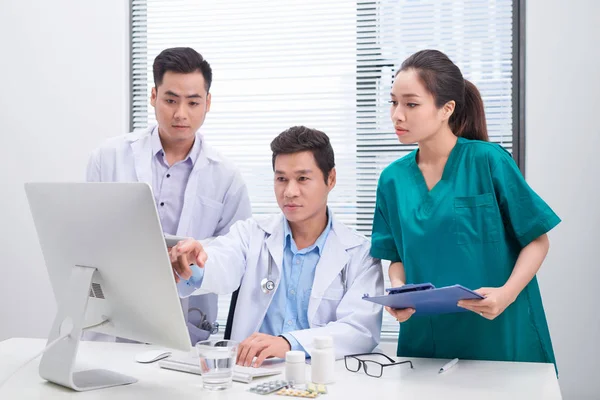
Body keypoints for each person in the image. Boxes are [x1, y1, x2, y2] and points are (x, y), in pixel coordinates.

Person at [371, 49, 560, 366]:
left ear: (446, 109)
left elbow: (537, 240)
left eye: (411, 104)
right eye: (393, 102)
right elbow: (398, 258)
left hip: (499, 334)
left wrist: (506, 293)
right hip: (427, 341)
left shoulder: (488, 161)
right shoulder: (392, 180)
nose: (397, 115)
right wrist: (399, 291)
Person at [170, 126, 383, 367]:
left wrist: (289, 343)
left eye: (302, 178)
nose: (290, 192)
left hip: (319, 380)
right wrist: (193, 262)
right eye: (281, 179)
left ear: (330, 179)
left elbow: (360, 329)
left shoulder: (360, 253)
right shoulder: (252, 234)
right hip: (251, 378)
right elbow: (222, 261)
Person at [86, 47, 251, 344]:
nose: (180, 114)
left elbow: (237, 255)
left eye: (192, 102)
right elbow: (88, 236)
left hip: (185, 324)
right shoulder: (108, 157)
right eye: (171, 100)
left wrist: (197, 253)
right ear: (153, 96)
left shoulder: (227, 177)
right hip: (113, 316)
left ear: (208, 103)